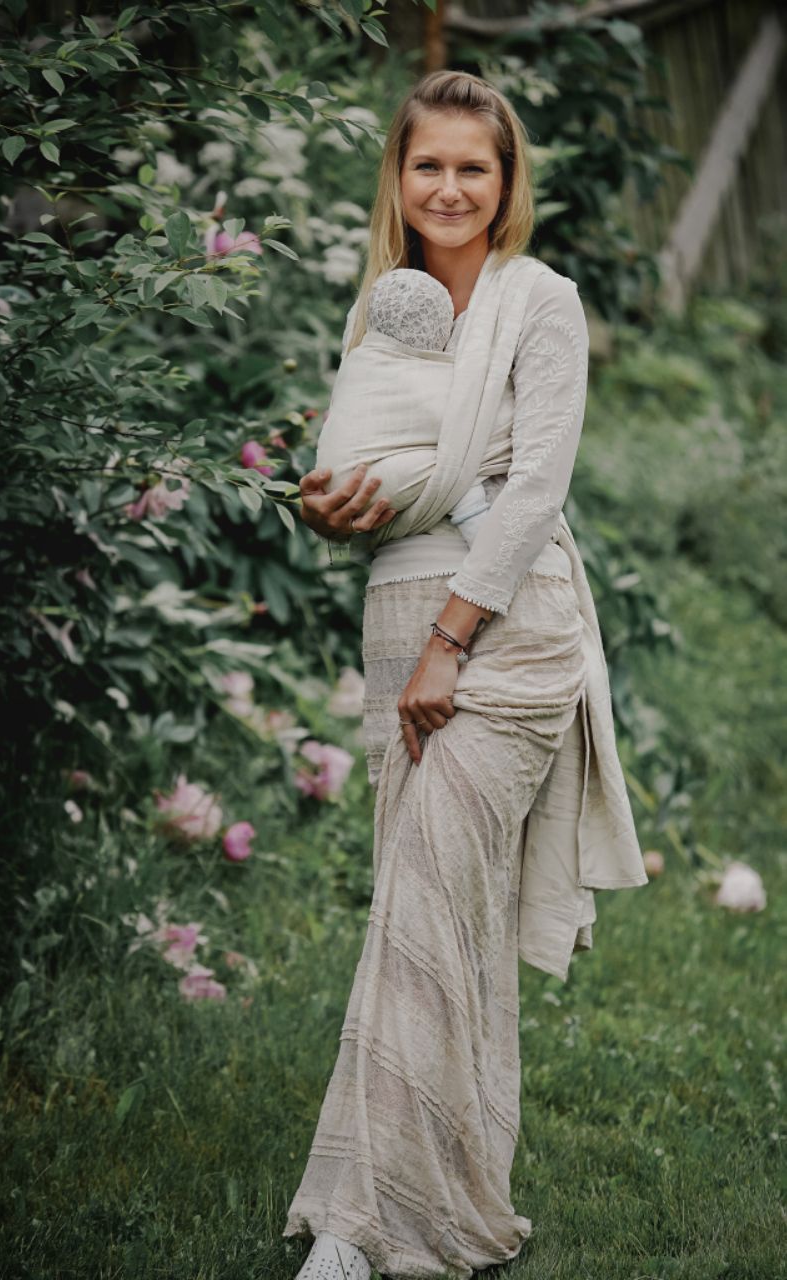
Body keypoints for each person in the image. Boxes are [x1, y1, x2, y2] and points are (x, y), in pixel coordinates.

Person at [283, 69, 648, 1280]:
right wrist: (329, 510)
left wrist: (452, 640)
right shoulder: (382, 311)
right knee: (434, 912)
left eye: (471, 167)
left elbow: (533, 487)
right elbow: (379, 466)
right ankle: (451, 1192)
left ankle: (352, 1224)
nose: (447, 187)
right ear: (398, 177)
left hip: (508, 622)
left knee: (424, 907)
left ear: (506, 181)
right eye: (426, 164)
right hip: (400, 613)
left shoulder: (538, 301)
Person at [315, 266, 491, 546]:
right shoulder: (421, 373)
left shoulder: (359, 357)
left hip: (331, 478)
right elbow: (453, 411)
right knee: (455, 460)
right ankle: (473, 516)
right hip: (364, 482)